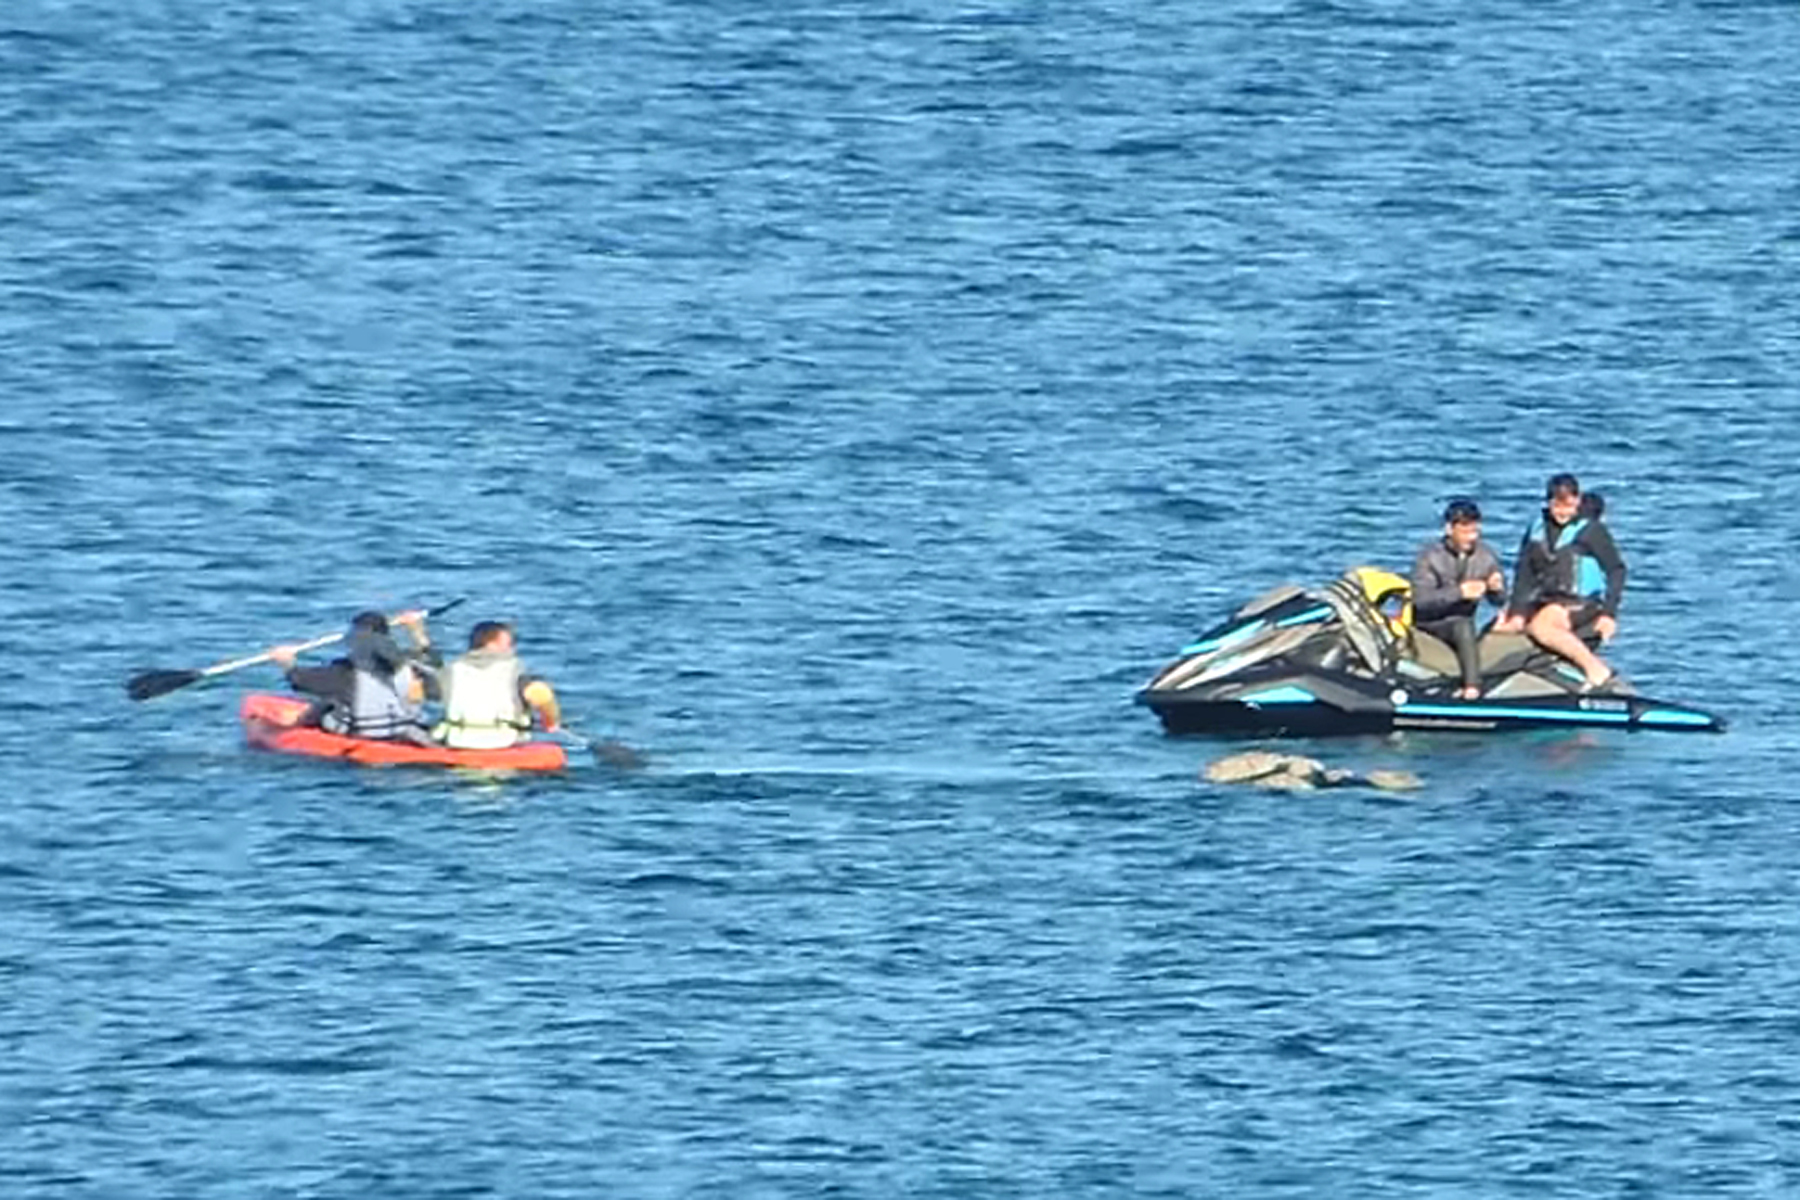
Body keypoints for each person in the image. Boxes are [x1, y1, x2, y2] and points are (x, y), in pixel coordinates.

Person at [1494, 473, 1627, 690]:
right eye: (1557, 505)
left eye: (1568, 505)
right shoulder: (1536, 529)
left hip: (1581, 602)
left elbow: (1616, 570)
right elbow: (1524, 574)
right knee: (1499, 629)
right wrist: (1516, 612)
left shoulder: (1591, 530)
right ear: (1548, 502)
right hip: (1546, 600)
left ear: (1577, 500)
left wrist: (1609, 614)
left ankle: (1596, 669)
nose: (1563, 511)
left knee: (1541, 627)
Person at [270, 609, 439, 744]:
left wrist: (286, 662)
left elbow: (299, 680)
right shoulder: (408, 665)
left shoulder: (344, 673)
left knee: (327, 704)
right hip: (407, 731)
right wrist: (417, 631)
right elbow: (432, 661)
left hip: (367, 736)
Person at [1409, 498, 1507, 699]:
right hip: (1431, 623)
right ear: (1449, 529)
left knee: (1472, 624)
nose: (1471, 537)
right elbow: (1420, 601)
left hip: (1465, 625)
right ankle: (1472, 687)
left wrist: (1496, 589)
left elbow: (1499, 601)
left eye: (1475, 531)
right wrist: (1459, 593)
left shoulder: (1485, 557)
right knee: (1461, 624)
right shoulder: (1430, 557)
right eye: (1465, 531)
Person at [434, 620, 561, 749]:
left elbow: (418, 692)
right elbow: (541, 693)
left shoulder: (451, 671)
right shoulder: (513, 669)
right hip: (505, 744)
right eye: (509, 644)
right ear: (491, 644)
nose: (512, 649)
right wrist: (551, 722)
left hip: (459, 743)